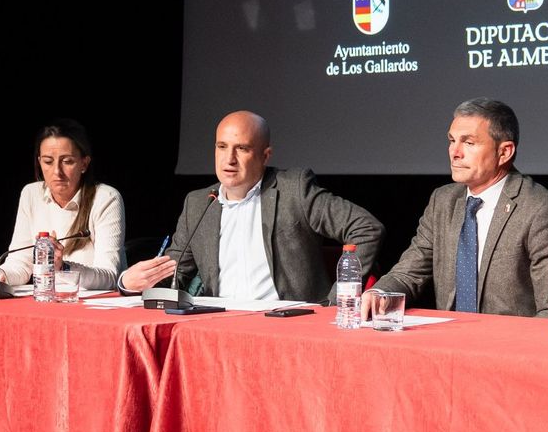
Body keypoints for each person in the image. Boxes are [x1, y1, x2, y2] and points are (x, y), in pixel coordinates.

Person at [119, 110, 383, 302]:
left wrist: (336, 301)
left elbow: (366, 228)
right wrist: (128, 283)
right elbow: (172, 276)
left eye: (242, 149)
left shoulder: (294, 190)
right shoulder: (199, 203)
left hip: (287, 325)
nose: (229, 159)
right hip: (217, 325)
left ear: (265, 156)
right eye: (222, 147)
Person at [365, 98, 548, 317]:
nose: (455, 152)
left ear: (504, 152)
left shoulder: (541, 210)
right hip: (450, 334)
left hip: (508, 337)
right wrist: (380, 293)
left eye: (469, 143)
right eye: (452, 140)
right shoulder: (442, 201)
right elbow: (408, 273)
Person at [0, 119, 125, 291]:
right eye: (48, 162)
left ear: (84, 163)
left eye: (67, 161)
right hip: (46, 298)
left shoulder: (106, 198)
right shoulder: (31, 194)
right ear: (39, 162)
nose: (57, 171)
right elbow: (21, 263)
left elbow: (110, 277)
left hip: (94, 302)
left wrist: (63, 267)